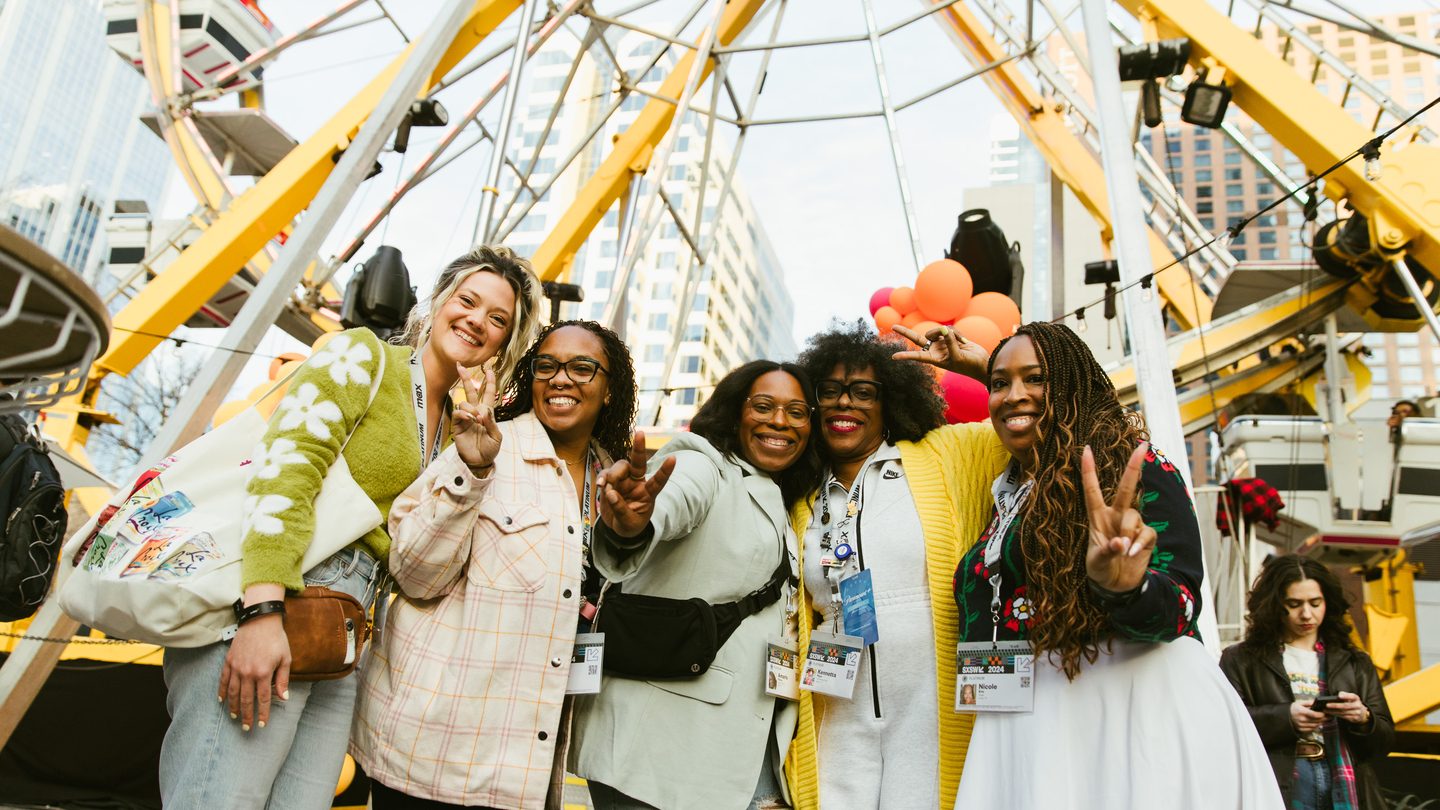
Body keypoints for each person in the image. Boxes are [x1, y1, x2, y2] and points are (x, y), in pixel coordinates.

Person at [158, 246, 543, 808]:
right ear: (437, 302)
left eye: (498, 320)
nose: (477, 321)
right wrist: (261, 609)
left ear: (504, 344)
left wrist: (473, 461)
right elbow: (286, 468)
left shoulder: (455, 430)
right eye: (467, 300)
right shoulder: (365, 356)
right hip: (280, 594)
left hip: (347, 635)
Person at [945, 321, 1282, 809]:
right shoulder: (1010, 491)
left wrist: (1128, 587)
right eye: (1000, 383)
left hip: (1135, 712)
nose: (1012, 395)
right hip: (1031, 718)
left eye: (1035, 378)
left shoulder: (1132, 468)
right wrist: (996, 370)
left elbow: (1179, 605)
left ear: (1071, 385)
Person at [353, 320, 638, 809]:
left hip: (525, 766)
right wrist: (474, 472)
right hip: (434, 756)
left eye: (582, 367)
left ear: (609, 389)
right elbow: (416, 576)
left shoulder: (611, 478)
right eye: (546, 365)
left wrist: (632, 534)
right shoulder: (485, 448)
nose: (561, 378)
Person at [569, 360, 823, 810]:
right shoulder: (703, 464)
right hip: (656, 750)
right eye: (763, 406)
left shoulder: (784, 503)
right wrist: (634, 523)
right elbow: (670, 501)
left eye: (797, 411)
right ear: (734, 412)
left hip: (735, 750)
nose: (780, 421)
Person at [786, 321, 1007, 809]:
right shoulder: (796, 495)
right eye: (831, 392)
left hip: (933, 710)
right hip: (835, 709)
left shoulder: (946, 456)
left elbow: (1045, 415)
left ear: (890, 403)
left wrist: (987, 367)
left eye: (864, 392)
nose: (845, 403)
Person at [1219, 555, 1394, 809]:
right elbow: (1222, 728)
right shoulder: (1240, 659)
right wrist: (1285, 718)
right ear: (1274, 605)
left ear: (1328, 602)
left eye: (1315, 603)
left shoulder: (1355, 661)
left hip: (1346, 783)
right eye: (1294, 604)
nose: (1306, 614)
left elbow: (1384, 743)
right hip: (1277, 780)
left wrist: (1363, 718)